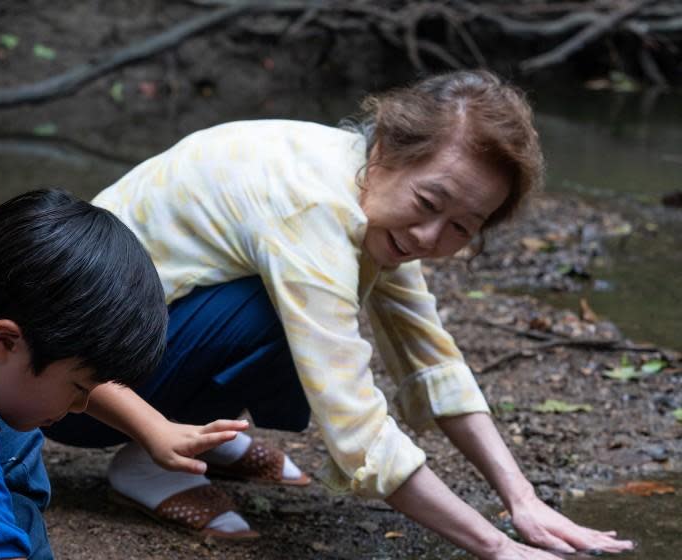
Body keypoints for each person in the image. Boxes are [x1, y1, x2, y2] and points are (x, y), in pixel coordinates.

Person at [44, 71, 634, 557]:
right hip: (72, 390)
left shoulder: (365, 189)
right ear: (386, 149)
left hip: (139, 344)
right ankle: (149, 461)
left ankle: (200, 426)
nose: (431, 236)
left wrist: (522, 500)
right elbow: (354, 424)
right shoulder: (314, 209)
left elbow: (430, 357)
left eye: (462, 226)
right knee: (285, 316)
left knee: (295, 301)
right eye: (428, 203)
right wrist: (498, 548)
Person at [0, 189, 247, 559]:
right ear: (4, 340)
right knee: (0, 524)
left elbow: (65, 363)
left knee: (15, 427)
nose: (80, 406)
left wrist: (154, 427)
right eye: (77, 388)